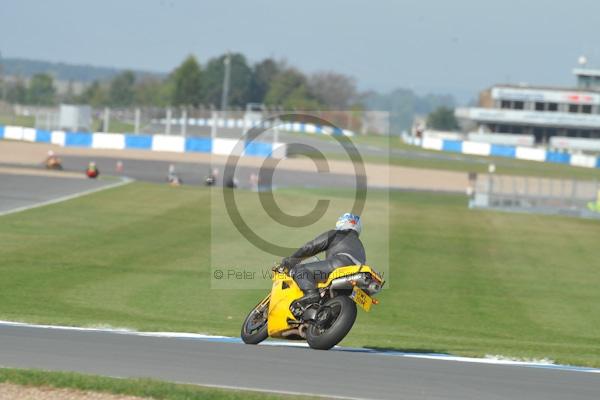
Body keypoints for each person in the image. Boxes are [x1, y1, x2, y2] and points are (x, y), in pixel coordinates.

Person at [280, 213, 365, 308]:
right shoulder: (360, 245)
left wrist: (291, 260)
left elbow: (311, 247)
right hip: (356, 274)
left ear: (343, 222)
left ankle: (311, 294)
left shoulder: (337, 234)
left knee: (301, 271)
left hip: (340, 264)